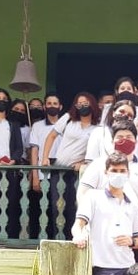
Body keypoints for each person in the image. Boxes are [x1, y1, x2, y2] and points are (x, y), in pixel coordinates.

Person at [79, 120, 138, 270]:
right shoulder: (99, 165)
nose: (124, 140)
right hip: (104, 231)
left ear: (136, 141)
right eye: (120, 137)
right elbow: (83, 194)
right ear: (112, 141)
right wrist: (84, 224)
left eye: (129, 137)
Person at [41, 92, 100, 237]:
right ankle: (57, 238)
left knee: (75, 208)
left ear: (92, 104)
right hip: (59, 170)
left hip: (77, 173)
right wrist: (45, 158)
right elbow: (51, 136)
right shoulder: (68, 119)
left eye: (85, 103)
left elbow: (96, 152)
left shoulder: (98, 128)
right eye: (79, 104)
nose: (82, 106)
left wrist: (83, 163)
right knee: (57, 207)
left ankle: (72, 238)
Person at [0, 88, 26, 240]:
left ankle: (10, 236)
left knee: (11, 203)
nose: (1, 100)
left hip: (9, 168)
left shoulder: (12, 125)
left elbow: (19, 147)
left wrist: (13, 160)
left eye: (4, 98)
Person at [28, 93, 63, 238]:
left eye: (55, 104)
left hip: (61, 173)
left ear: (60, 107)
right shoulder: (37, 126)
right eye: (49, 103)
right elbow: (34, 151)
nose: (52, 106)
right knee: (39, 209)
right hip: (42, 173)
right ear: (44, 106)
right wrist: (35, 175)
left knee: (59, 210)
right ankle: (36, 240)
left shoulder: (66, 125)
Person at [85, 99, 137, 164]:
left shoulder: (136, 137)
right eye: (122, 111)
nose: (125, 115)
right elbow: (90, 160)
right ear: (113, 113)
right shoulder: (98, 132)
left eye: (130, 115)